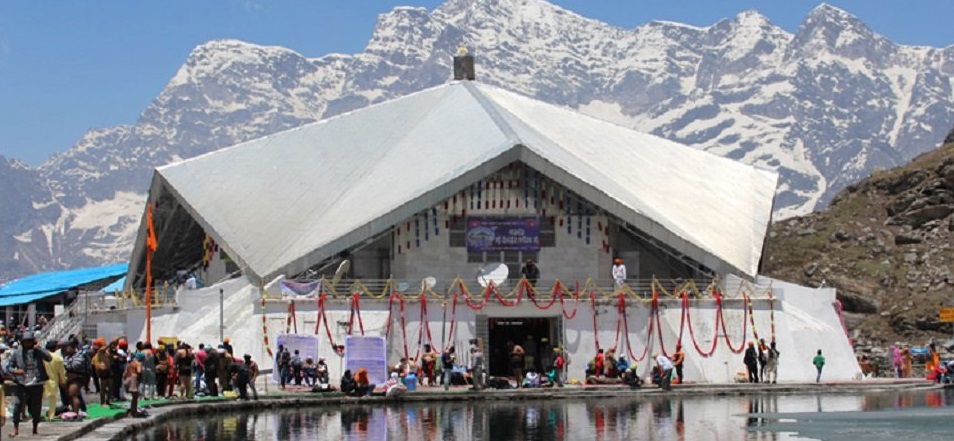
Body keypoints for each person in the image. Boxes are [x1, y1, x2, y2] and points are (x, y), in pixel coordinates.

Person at [5, 331, 51, 437]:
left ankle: (35, 428)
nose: (27, 344)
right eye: (25, 342)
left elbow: (49, 358)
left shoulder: (38, 351)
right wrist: (15, 371)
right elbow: (9, 366)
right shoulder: (17, 353)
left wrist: (40, 348)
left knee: (36, 406)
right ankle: (15, 429)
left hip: (36, 382)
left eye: (29, 341)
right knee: (17, 405)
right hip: (22, 382)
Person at [42, 340, 66, 421]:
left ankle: (37, 415)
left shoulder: (41, 357)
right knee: (52, 400)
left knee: (40, 399)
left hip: (42, 380)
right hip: (53, 380)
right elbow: (61, 371)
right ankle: (51, 416)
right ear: (55, 348)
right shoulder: (58, 358)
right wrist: (63, 381)